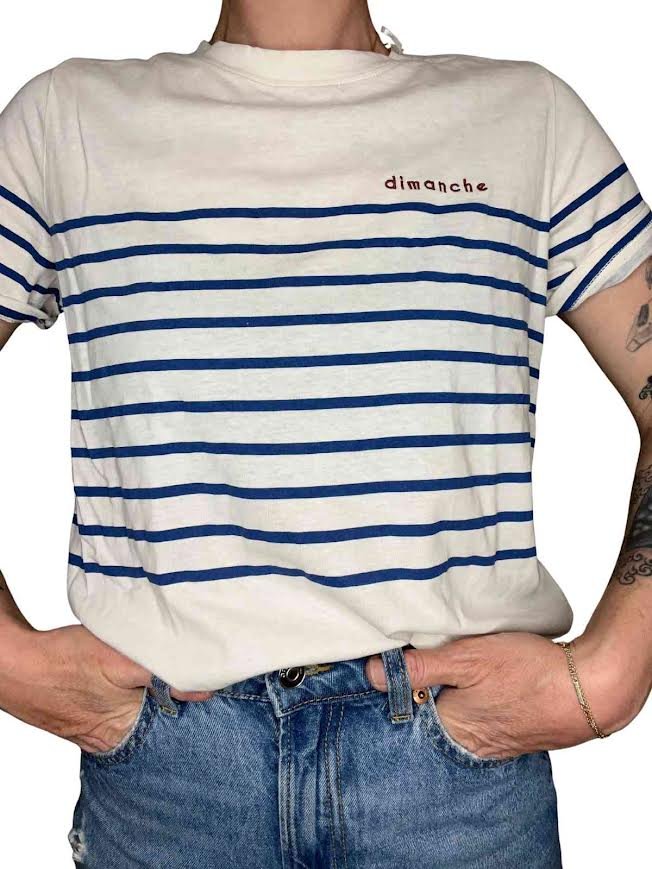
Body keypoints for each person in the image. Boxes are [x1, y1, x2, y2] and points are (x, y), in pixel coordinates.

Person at [0, 1, 651, 866]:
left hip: (457, 783)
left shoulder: (529, 119)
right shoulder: (67, 122)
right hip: (172, 781)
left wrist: (614, 672)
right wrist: (8, 660)